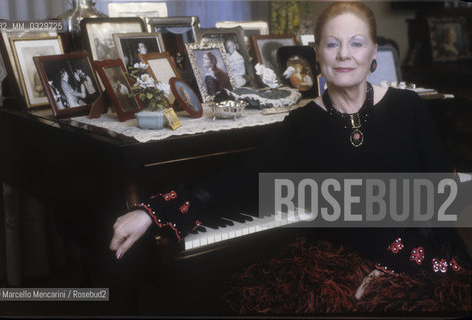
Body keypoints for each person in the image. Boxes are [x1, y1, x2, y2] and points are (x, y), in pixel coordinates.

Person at [109, 2, 469, 310]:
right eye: (333, 44)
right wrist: (151, 211)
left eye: (356, 43)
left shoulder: (409, 107)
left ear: (373, 52)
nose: (344, 54)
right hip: (346, 262)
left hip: (421, 250)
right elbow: (245, 179)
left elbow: (442, 193)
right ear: (317, 54)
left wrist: (394, 264)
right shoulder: (303, 122)